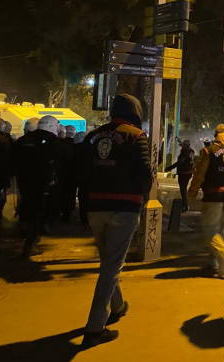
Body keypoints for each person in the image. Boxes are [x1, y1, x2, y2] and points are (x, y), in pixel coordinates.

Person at [80, 94, 152, 347]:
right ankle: (94, 327)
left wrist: (84, 208)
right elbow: (145, 173)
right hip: (124, 207)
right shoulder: (136, 136)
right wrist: (142, 200)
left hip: (95, 207)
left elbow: (82, 174)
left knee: (109, 262)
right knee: (111, 267)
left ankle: (118, 305)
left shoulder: (93, 136)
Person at [189, 124, 224, 278]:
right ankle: (216, 264)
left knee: (210, 231)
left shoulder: (209, 151)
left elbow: (200, 174)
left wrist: (191, 193)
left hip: (213, 197)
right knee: (221, 231)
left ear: (216, 135)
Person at [12, 114, 66, 257]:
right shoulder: (54, 142)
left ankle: (25, 233)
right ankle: (31, 241)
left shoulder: (23, 140)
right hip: (45, 184)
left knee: (27, 207)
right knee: (40, 211)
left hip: (24, 182)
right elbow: (61, 162)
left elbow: (13, 159)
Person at [165, 139, 195, 212]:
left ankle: (185, 205)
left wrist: (169, 168)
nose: (181, 147)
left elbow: (180, 162)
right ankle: (185, 204)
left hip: (183, 173)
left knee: (183, 189)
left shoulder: (185, 152)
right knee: (183, 189)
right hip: (188, 173)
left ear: (185, 146)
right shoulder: (191, 151)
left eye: (183, 145)